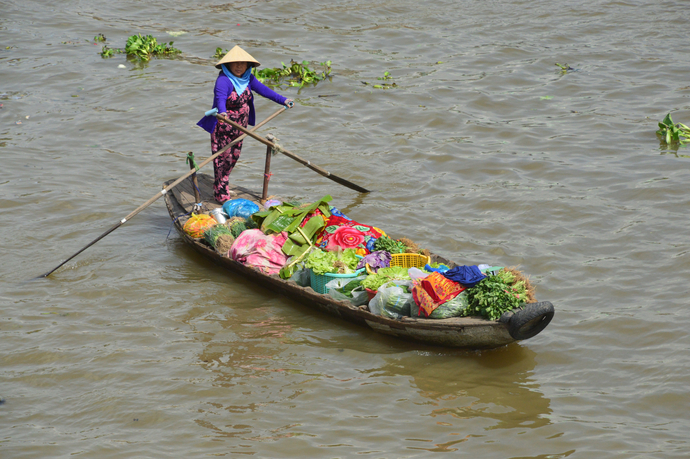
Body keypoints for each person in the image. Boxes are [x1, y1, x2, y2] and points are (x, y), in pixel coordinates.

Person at [198, 45, 293, 203]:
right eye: (235, 63)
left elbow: (264, 90)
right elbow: (220, 98)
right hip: (224, 125)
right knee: (222, 159)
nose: (239, 66)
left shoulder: (248, 78)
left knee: (234, 157)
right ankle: (220, 194)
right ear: (227, 65)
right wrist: (222, 112)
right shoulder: (223, 80)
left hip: (241, 127)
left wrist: (283, 100)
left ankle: (223, 184)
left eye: (243, 63)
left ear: (248, 65)